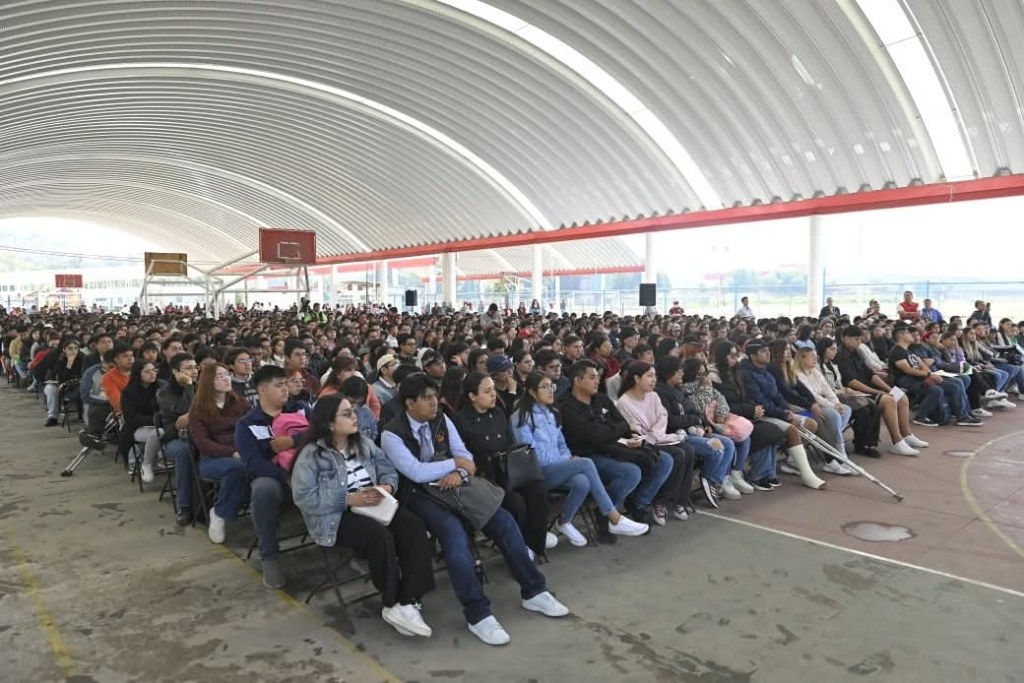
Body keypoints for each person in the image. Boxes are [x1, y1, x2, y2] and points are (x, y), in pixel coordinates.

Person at [380, 374, 569, 646]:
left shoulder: (441, 418)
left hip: (456, 484)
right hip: (420, 495)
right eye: (427, 398)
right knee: (455, 537)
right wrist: (454, 465)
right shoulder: (391, 434)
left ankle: (534, 590)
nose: (434, 403)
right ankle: (478, 614)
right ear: (410, 403)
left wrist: (459, 471)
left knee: (504, 521)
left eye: (435, 397)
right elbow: (415, 472)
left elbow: (465, 456)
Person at [292, 395, 436, 638]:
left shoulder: (363, 442)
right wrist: (348, 499)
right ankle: (392, 602)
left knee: (413, 526)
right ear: (329, 423)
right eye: (347, 413)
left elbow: (387, 469)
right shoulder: (312, 455)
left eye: (353, 411)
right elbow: (304, 498)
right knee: (378, 536)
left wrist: (386, 487)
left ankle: (408, 599)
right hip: (336, 516)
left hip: (373, 504)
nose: (354, 417)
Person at [512, 372, 648, 546]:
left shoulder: (552, 413)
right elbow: (531, 454)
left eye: (552, 386)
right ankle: (613, 517)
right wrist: (566, 461)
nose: (550, 390)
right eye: (545, 387)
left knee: (582, 481)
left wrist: (566, 458)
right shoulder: (521, 417)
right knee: (585, 463)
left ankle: (564, 521)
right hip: (537, 472)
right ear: (531, 391)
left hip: (558, 466)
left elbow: (562, 444)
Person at [559, 360, 671, 535]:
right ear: (577, 380)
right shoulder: (566, 406)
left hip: (615, 446)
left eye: (598, 377)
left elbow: (623, 425)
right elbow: (592, 436)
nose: (598, 381)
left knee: (665, 460)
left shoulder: (602, 399)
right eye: (592, 377)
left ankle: (638, 502)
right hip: (588, 456)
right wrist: (614, 430)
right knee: (630, 472)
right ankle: (607, 513)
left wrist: (617, 432)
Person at [453, 372, 556, 558]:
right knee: (516, 503)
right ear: (472, 396)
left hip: (509, 470)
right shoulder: (461, 421)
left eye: (493, 389)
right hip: (486, 477)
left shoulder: (498, 413)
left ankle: (533, 543)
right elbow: (463, 456)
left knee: (539, 489)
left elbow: (509, 444)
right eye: (487, 391)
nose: (493, 394)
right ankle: (518, 547)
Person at [235, 365, 312, 588]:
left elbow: (323, 433)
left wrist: (293, 441)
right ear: (262, 390)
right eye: (279, 385)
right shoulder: (248, 424)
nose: (285, 389)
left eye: (286, 384)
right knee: (263, 488)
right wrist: (286, 476)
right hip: (278, 479)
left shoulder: (300, 409)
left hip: (311, 470)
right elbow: (253, 462)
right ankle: (269, 556)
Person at [614, 361, 708, 521]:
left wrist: (654, 434)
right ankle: (661, 501)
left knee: (689, 450)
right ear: (636, 378)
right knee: (677, 454)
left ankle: (680, 500)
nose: (654, 380)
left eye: (654, 376)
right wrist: (651, 436)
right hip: (642, 443)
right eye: (649, 376)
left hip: (658, 437)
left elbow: (662, 417)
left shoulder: (653, 396)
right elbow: (636, 429)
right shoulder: (625, 402)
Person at [739, 342, 826, 490]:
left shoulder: (765, 372)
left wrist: (788, 410)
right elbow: (762, 402)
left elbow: (778, 395)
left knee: (810, 423)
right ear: (753, 356)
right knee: (791, 430)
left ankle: (791, 460)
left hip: (776, 412)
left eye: (768, 350)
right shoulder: (747, 375)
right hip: (761, 415)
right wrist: (785, 414)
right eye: (763, 351)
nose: (768, 353)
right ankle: (807, 475)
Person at [835, 326, 929, 456]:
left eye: (860, 339)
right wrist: (877, 392)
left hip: (869, 388)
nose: (859, 342)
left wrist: (888, 389)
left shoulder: (857, 352)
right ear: (845, 338)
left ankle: (907, 435)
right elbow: (851, 382)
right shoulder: (841, 356)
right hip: (855, 393)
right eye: (856, 339)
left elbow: (871, 375)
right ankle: (897, 442)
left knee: (901, 397)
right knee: (888, 400)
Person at [189, 362, 251, 543]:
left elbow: (254, 425)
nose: (226, 379)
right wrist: (232, 452)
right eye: (219, 376)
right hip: (213, 459)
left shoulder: (240, 402)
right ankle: (219, 513)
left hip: (243, 453)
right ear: (208, 382)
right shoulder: (198, 409)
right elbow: (203, 444)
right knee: (237, 469)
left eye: (226, 374)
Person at [816, 338, 882, 457]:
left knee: (874, 407)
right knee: (863, 411)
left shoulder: (833, 365)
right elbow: (823, 389)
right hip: (830, 399)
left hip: (841, 395)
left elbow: (838, 385)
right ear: (823, 350)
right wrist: (842, 392)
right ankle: (861, 445)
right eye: (832, 349)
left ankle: (871, 443)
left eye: (835, 349)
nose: (835, 352)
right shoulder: (817, 367)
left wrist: (846, 389)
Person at [156, 353, 198, 521]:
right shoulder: (164, 392)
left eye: (195, 367)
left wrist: (190, 414)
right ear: (175, 372)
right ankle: (185, 505)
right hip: (175, 438)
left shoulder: (202, 385)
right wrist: (189, 387)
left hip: (200, 433)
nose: (194, 371)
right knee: (185, 451)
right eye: (189, 368)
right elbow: (181, 409)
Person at [888, 324, 947, 427]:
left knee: (952, 385)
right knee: (936, 390)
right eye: (908, 333)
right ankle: (920, 416)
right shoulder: (897, 351)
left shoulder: (909, 350)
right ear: (901, 336)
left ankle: (949, 414)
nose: (911, 335)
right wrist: (928, 374)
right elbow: (908, 370)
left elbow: (921, 364)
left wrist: (931, 375)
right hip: (905, 380)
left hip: (918, 377)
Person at [118, 359, 162, 477]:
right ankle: (144, 462)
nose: (152, 374)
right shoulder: (129, 392)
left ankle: (157, 459)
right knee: (157, 434)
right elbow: (131, 417)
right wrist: (154, 420)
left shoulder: (162, 386)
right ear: (138, 374)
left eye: (154, 370)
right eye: (147, 371)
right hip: (138, 426)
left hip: (161, 423)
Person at [43, 338, 83, 427]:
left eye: (75, 348)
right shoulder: (60, 360)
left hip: (76, 385)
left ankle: (83, 416)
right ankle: (52, 417)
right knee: (51, 389)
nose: (73, 351)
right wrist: (69, 364)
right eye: (70, 348)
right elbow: (61, 378)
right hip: (59, 385)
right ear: (64, 350)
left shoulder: (82, 358)